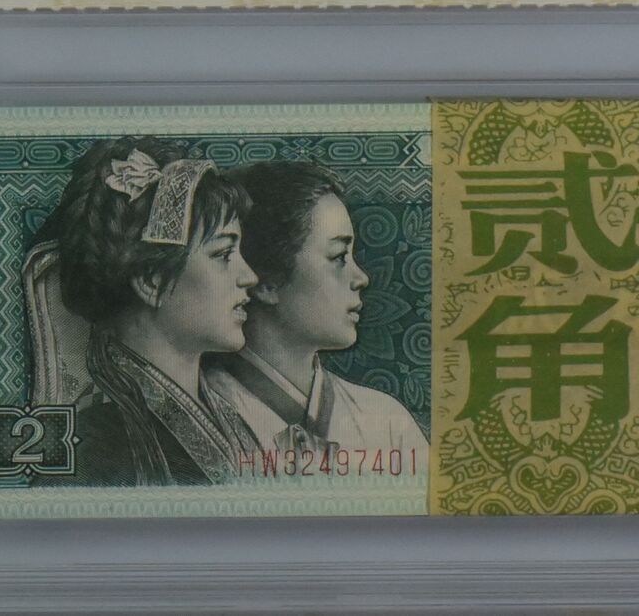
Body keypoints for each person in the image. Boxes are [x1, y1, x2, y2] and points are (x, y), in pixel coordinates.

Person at [31, 136, 260, 486]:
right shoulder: (91, 449)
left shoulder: (231, 420)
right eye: (223, 254)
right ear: (152, 281)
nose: (250, 277)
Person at [205, 162, 429, 464]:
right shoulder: (202, 416)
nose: (361, 278)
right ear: (266, 283)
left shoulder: (387, 423)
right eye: (338, 257)